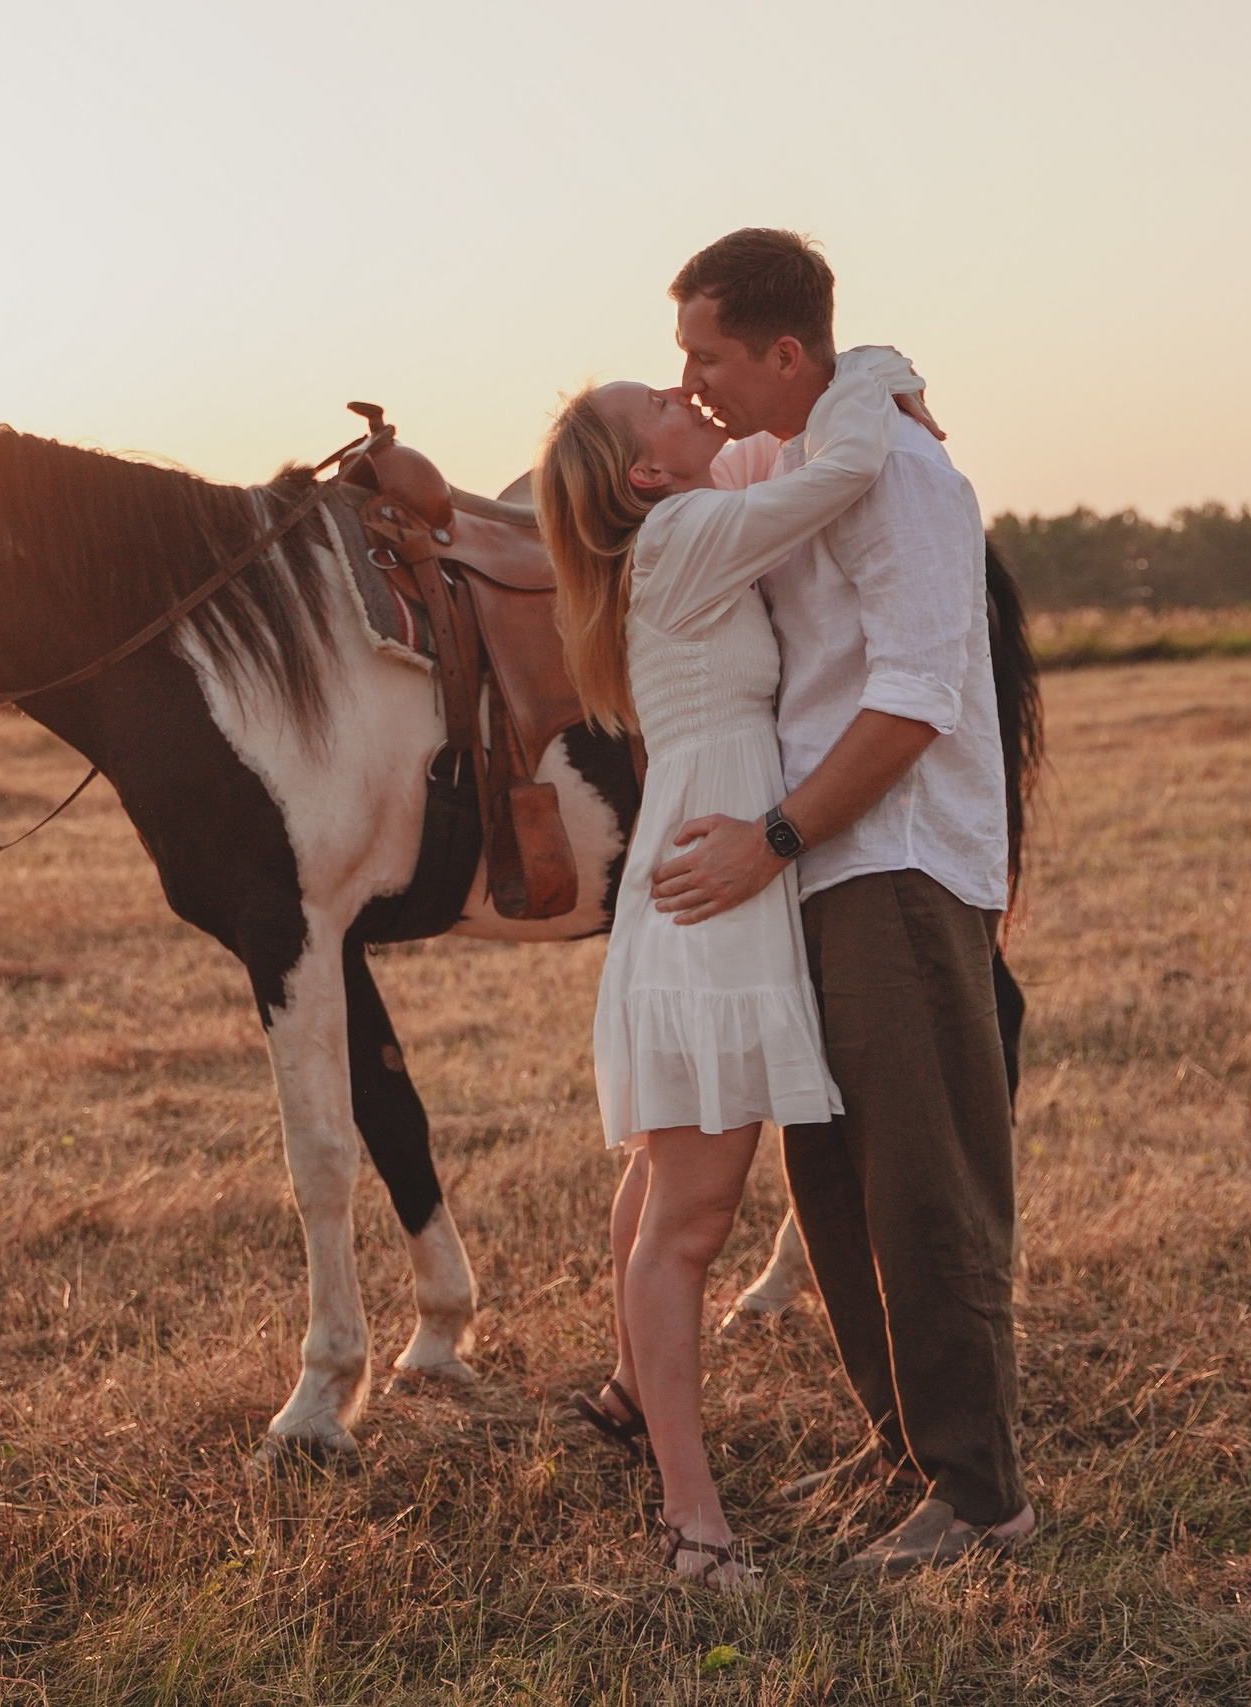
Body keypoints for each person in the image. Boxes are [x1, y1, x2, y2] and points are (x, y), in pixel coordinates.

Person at [649, 229, 1034, 1578]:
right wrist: (879, 365)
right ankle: (903, 1448)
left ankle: (979, 1496)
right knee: (835, 1187)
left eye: (706, 355)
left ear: (781, 353)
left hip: (895, 862)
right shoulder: (788, 460)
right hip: (818, 865)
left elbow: (918, 699)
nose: (689, 381)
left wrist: (769, 838)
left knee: (925, 1186)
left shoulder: (904, 479)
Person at [536, 342, 927, 1593]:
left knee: (664, 1184)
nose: (683, 392)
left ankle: (630, 1392)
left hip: (705, 873)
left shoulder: (675, 532)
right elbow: (843, 467)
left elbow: (778, 453)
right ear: (644, 473)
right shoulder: (685, 532)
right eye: (660, 403)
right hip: (711, 897)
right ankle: (692, 1525)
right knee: (693, 1224)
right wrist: (875, 368)